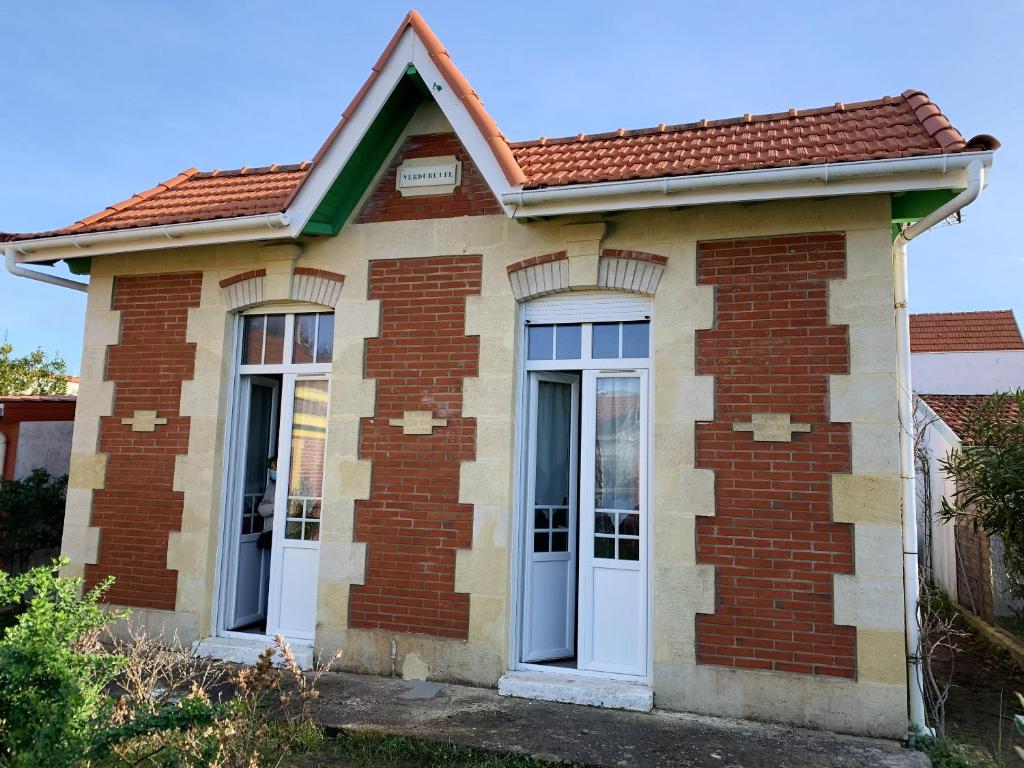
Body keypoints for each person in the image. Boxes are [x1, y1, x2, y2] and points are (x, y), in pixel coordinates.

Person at [256, 457, 276, 550]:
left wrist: (269, 505)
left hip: (278, 531)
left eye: (274, 468)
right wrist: (274, 507)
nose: (272, 471)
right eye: (271, 468)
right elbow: (261, 509)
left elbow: (284, 507)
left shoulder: (288, 485)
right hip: (268, 531)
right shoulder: (271, 485)